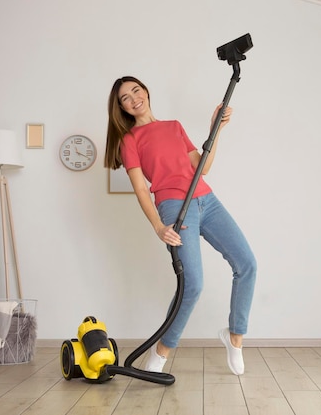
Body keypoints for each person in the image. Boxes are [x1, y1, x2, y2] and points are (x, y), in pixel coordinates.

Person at [104, 76, 257, 375]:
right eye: (125, 97)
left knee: (247, 263)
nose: (134, 98)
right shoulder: (130, 140)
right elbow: (139, 189)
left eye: (136, 90)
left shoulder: (173, 126)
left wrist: (217, 129)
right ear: (121, 107)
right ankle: (161, 352)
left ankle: (235, 337)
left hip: (206, 200)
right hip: (174, 207)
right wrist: (159, 226)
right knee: (193, 284)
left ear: (146, 91)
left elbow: (202, 167)